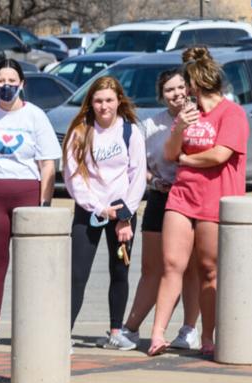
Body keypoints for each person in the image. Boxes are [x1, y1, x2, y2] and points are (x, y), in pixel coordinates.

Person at [149, 46, 249, 357]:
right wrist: (179, 128)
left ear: (195, 83)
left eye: (186, 86)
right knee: (171, 265)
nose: (183, 94)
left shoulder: (232, 113)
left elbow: (220, 154)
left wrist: (186, 161)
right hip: (182, 196)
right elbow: (169, 153)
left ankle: (207, 336)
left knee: (208, 270)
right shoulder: (188, 113)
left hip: (216, 198)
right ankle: (157, 334)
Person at [99, 69, 201, 351]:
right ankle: (131, 330)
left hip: (193, 197)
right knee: (152, 268)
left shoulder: (201, 118)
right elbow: (136, 166)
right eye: (170, 90)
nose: (177, 94)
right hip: (160, 197)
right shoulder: (150, 126)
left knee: (190, 268)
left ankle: (189, 328)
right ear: (161, 95)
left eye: (181, 87)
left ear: (189, 89)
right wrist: (155, 181)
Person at [0, 59, 61, 349]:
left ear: (22, 83)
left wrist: (44, 205)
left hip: (27, 194)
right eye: (1, 81)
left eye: (12, 81)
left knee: (32, 265)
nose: (6, 86)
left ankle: (34, 326)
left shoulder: (35, 116)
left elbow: (47, 165)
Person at [63, 76, 146, 345]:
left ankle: (115, 331)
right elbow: (73, 177)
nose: (103, 106)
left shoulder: (130, 131)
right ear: (91, 103)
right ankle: (62, 333)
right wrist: (99, 209)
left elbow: (138, 174)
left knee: (120, 271)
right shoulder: (80, 131)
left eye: (109, 100)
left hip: (122, 214)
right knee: (77, 274)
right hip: (90, 211)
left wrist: (124, 214)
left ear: (118, 100)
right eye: (98, 101)